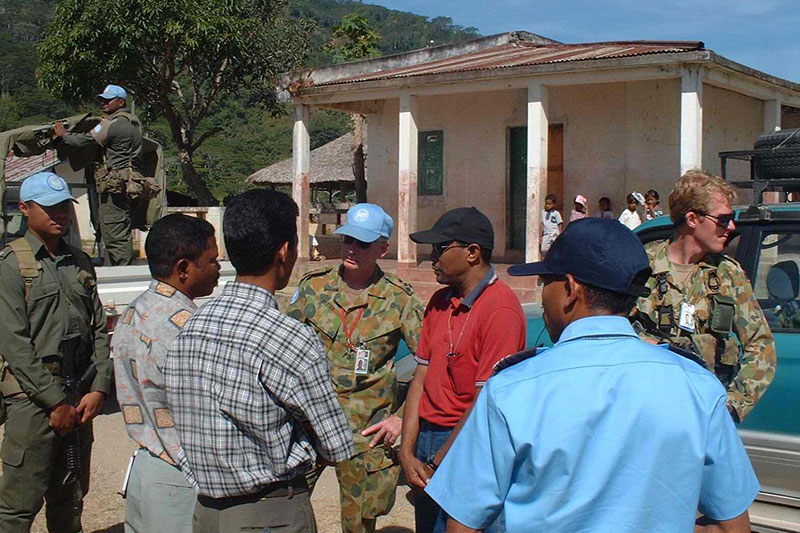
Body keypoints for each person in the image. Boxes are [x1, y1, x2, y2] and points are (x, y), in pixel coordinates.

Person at [426, 217, 759, 533]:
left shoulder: (512, 389)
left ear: (570, 289)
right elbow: (730, 524)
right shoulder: (698, 386)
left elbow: (464, 521)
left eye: (545, 283)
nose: (543, 298)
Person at [164, 190, 354, 533]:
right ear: (284, 251)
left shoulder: (190, 327)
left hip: (207, 514)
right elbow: (337, 444)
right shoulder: (289, 337)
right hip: (270, 514)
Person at [287, 203, 424, 533]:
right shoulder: (313, 288)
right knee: (287, 507)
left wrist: (401, 417)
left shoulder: (399, 298)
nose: (351, 249)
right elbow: (284, 347)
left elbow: (427, 366)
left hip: (364, 434)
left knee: (358, 523)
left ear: (382, 248)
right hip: (310, 422)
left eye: (362, 244)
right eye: (347, 240)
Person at [398, 207, 526, 533]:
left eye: (440, 249)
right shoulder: (440, 301)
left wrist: (439, 461)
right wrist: (407, 450)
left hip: (467, 444)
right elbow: (421, 376)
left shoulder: (501, 309)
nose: (431, 257)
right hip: (427, 440)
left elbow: (485, 402)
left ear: (472, 253)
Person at [0, 172, 112, 532]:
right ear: (25, 209)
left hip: (78, 393)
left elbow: (98, 328)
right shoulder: (11, 265)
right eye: (48, 208)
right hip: (34, 401)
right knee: (19, 505)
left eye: (63, 206)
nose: (59, 215)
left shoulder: (79, 262)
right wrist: (54, 402)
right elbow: (15, 344)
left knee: (71, 500)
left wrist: (99, 388)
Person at [633, 170, 776, 422]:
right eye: (723, 219)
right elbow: (607, 329)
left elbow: (761, 345)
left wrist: (731, 407)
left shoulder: (728, 274)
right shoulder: (641, 267)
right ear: (692, 219)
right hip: (648, 415)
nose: (731, 227)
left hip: (707, 418)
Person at [112, 214, 221, 533]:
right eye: (211, 260)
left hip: (146, 468)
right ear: (184, 268)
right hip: (181, 476)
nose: (217, 268)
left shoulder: (133, 311)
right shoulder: (189, 327)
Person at [54, 84, 145, 266]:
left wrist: (63, 135)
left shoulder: (114, 124)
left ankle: (121, 273)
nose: (103, 103)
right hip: (126, 184)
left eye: (108, 100)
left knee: (115, 233)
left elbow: (84, 140)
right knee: (118, 229)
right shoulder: (132, 122)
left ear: (120, 102)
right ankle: (114, 269)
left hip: (114, 187)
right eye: (102, 100)